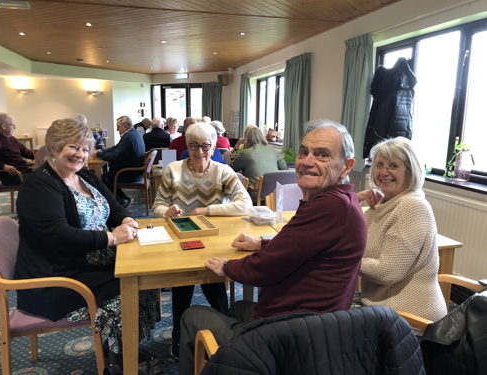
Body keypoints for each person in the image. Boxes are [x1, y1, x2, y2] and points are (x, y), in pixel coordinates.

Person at [177, 120, 367, 375]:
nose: (308, 161)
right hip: (313, 328)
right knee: (236, 308)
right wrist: (261, 243)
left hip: (290, 337)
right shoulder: (339, 201)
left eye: (321, 154)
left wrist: (227, 267)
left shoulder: (329, 207)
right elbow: (299, 248)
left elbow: (264, 269)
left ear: (346, 166)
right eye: (304, 152)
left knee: (192, 315)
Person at [14, 118, 162, 374]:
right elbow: (61, 236)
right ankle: (117, 364)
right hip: (57, 274)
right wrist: (112, 238)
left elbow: (113, 206)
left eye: (85, 149)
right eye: (73, 147)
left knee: (144, 276)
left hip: (87, 259)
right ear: (53, 148)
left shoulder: (83, 175)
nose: (81, 155)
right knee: (127, 289)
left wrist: (125, 219)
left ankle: (125, 347)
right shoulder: (38, 185)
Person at [153, 122, 253, 361]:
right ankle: (179, 333)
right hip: (179, 240)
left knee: (213, 280)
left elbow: (245, 204)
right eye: (194, 146)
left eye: (205, 146)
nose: (199, 152)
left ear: (213, 145)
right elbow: (157, 205)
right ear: (186, 145)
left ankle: (224, 331)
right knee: (182, 287)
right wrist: (166, 212)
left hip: (212, 238)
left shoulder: (223, 171)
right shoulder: (173, 170)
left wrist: (208, 210)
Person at [357, 137, 447, 321]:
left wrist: (346, 260)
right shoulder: (380, 206)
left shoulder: (411, 207)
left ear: (410, 170)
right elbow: (350, 240)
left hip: (408, 318)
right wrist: (354, 201)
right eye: (379, 165)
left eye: (393, 166)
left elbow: (386, 272)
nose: (384, 172)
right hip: (381, 308)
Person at [95, 115, 145, 208]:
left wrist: (98, 154)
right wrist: (102, 151)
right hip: (134, 171)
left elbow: (115, 156)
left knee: (102, 179)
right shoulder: (133, 133)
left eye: (118, 127)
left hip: (129, 173)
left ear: (125, 126)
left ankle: (120, 202)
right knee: (107, 177)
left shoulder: (129, 137)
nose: (117, 129)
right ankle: (124, 199)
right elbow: (116, 148)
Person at [0, 112, 34, 185]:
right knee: (42, 178)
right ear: (3, 126)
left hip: (24, 171)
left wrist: (42, 155)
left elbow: (27, 153)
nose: (15, 127)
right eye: (13, 125)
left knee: (48, 173)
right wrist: (4, 167)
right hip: (12, 176)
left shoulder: (12, 139)